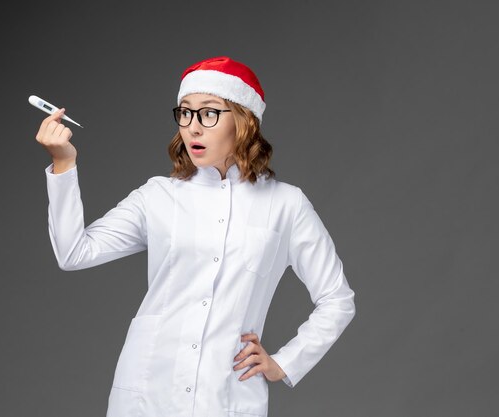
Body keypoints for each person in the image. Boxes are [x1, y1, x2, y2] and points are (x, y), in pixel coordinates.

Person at [35, 56, 356, 417]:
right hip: (146, 393)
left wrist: (284, 363)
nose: (193, 128)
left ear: (244, 121)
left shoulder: (286, 204)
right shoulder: (158, 195)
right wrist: (64, 162)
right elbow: (74, 252)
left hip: (228, 396)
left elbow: (337, 299)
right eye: (185, 113)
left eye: (209, 114)